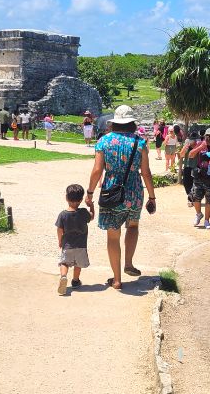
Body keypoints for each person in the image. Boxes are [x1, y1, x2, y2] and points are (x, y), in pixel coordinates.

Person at [86, 105, 156, 291]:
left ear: (114, 123)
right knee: (133, 225)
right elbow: (146, 173)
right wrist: (152, 196)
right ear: (132, 123)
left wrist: (90, 193)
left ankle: (117, 280)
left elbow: (97, 171)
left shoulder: (103, 142)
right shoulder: (139, 143)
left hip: (112, 192)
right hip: (134, 191)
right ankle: (129, 263)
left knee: (113, 234)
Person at [55, 184, 95, 295]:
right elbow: (91, 217)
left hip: (67, 246)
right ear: (81, 200)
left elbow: (59, 229)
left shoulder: (63, 215)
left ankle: (63, 277)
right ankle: (75, 281)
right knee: (78, 264)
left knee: (64, 263)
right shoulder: (83, 212)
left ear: (66, 198)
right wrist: (91, 206)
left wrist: (60, 241)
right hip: (81, 247)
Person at [179, 132, 201, 207]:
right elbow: (181, 155)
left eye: (195, 140)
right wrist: (185, 147)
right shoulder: (187, 146)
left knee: (194, 184)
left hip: (195, 167)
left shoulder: (199, 147)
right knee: (186, 183)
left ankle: (190, 199)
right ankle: (190, 195)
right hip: (187, 167)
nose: (193, 141)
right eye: (192, 140)